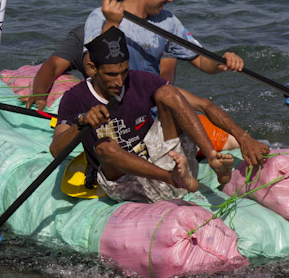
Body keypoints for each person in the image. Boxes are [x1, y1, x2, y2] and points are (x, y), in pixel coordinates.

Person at [52, 27, 236, 203]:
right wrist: (82, 123)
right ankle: (172, 178)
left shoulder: (138, 80)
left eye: (123, 72)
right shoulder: (75, 98)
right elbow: (56, 150)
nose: (119, 82)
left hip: (162, 158)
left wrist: (244, 138)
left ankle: (214, 162)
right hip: (126, 180)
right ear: (92, 69)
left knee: (168, 92)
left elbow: (203, 104)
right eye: (111, 74)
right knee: (104, 147)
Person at [84, 0, 243, 84]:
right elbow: (91, 69)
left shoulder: (167, 21)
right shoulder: (101, 16)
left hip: (150, 104)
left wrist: (222, 62)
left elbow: (201, 61)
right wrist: (112, 23)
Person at [22, 0, 129, 110]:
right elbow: (54, 65)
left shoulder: (145, 38)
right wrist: (39, 94)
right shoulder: (83, 35)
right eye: (117, 6)